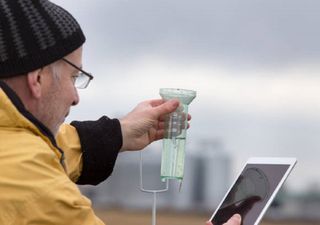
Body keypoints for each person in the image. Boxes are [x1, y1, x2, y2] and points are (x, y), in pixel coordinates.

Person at [0, 1, 241, 224]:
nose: (75, 98)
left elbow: (44, 150)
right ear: (38, 78)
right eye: (74, 77)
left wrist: (117, 133)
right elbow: (30, 164)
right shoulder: (34, 187)